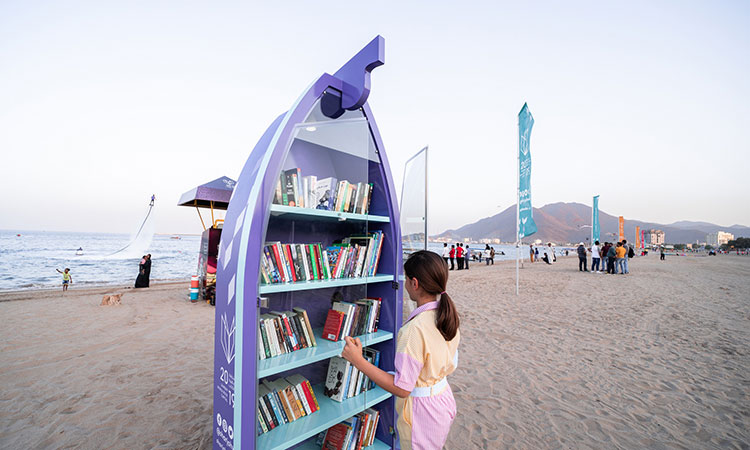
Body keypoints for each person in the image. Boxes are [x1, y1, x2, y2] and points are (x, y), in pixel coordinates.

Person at [341, 250, 460, 450]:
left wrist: (358, 361)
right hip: (443, 401)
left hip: (421, 415)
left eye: (405, 279)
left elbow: (403, 389)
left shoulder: (414, 330)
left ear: (414, 283)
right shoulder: (448, 316)